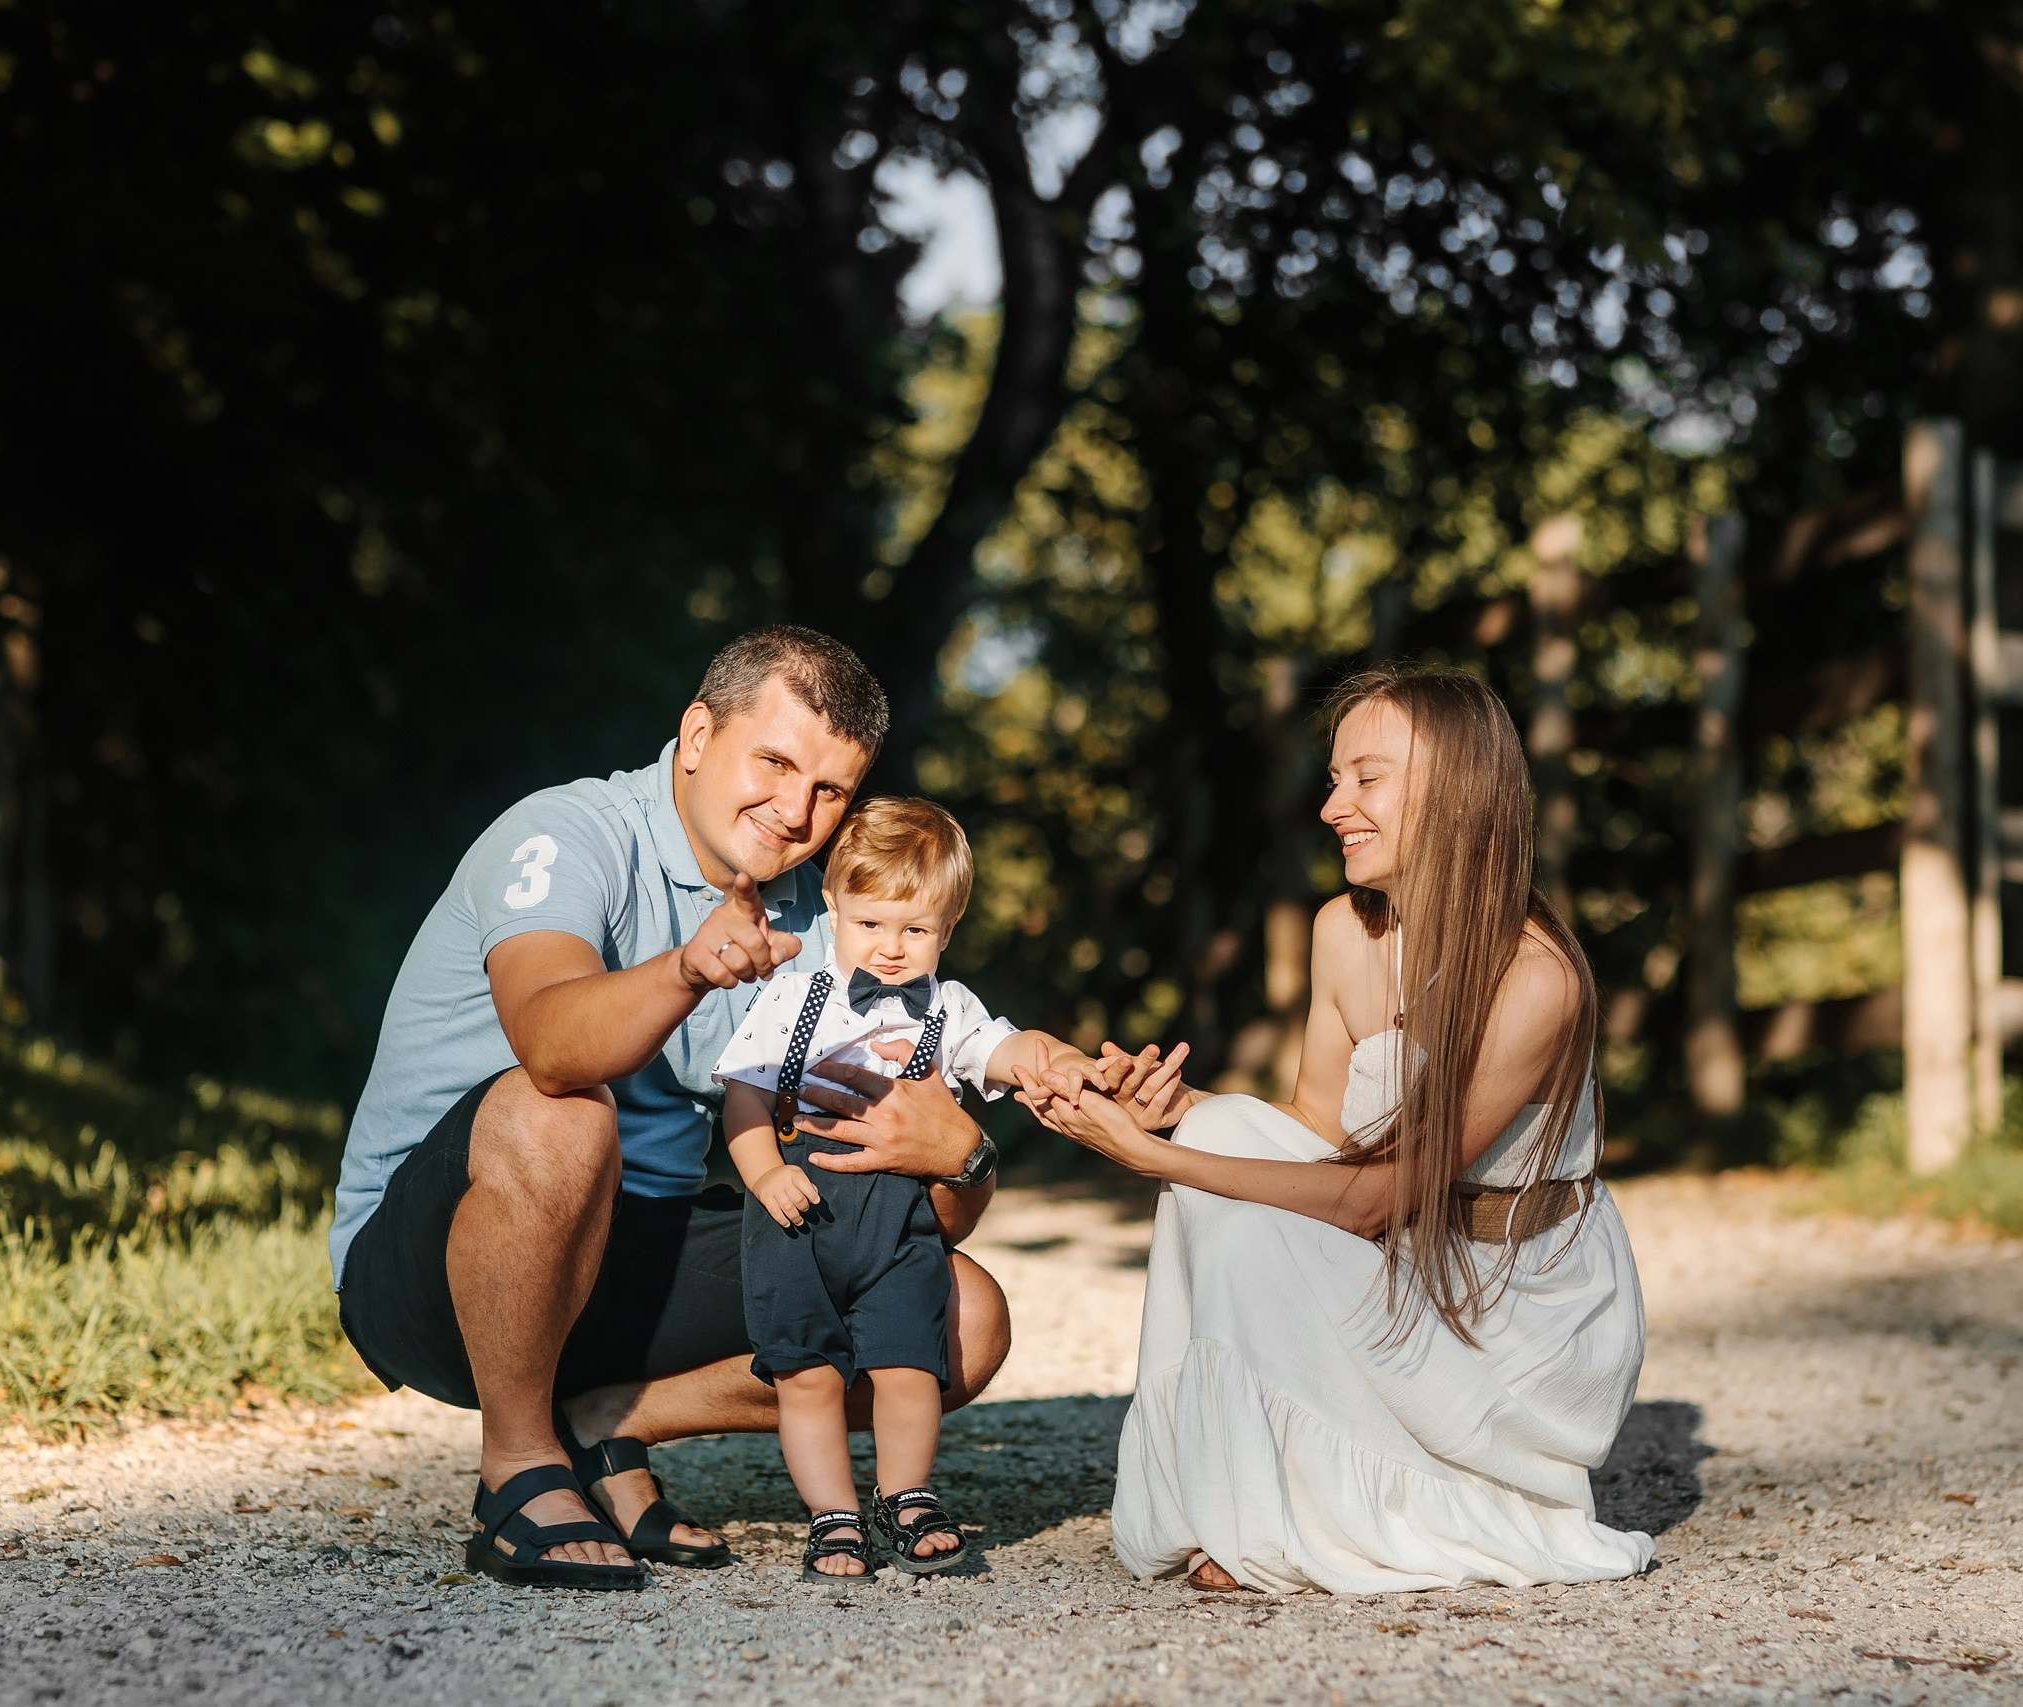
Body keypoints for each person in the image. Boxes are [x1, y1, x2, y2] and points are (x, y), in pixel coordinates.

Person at [329, 627, 1010, 1590]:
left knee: (963, 1315)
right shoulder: (567, 834)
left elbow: (904, 1204)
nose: (795, 809)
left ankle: (612, 1419)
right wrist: (688, 966)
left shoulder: (829, 920)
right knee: (562, 1111)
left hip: (631, 1259)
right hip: (438, 1263)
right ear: (696, 735)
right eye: (773, 762)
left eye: (830, 791)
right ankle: (520, 1462)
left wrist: (963, 1157)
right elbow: (554, 1047)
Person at [1014, 663, 1655, 1596]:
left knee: (1230, 1216)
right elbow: (1317, 1127)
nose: (1332, 806)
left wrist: (1154, 1156)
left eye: (1366, 777)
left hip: (1518, 1303)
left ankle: (1358, 1504)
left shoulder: (1535, 976)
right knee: (1231, 1126)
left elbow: (1380, 1195)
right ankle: (1237, 1493)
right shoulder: (1341, 932)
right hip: (1409, 1245)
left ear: (1457, 787)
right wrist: (1178, 1113)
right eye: (1332, 777)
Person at [712, 797, 1094, 1582]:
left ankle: (906, 1494)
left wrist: (1056, 1061)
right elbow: (745, 1097)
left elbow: (1004, 1047)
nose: (890, 949)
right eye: (871, 925)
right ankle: (834, 1516)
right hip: (798, 1212)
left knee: (909, 1364)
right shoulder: (792, 996)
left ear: (948, 929)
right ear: (834, 907)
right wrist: (765, 1171)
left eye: (914, 930)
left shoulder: (950, 1009)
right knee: (806, 1374)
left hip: (898, 1220)